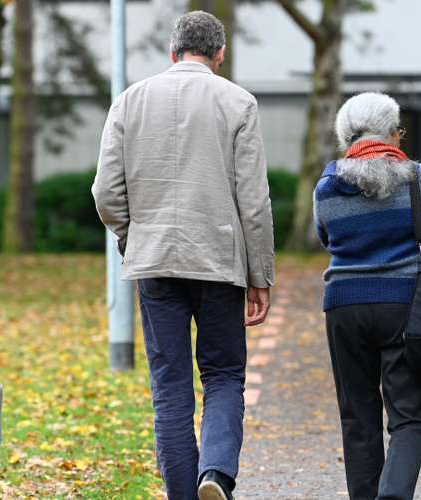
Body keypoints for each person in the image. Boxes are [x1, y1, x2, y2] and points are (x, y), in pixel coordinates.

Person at [92, 11, 274, 500]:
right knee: (223, 374)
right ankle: (215, 473)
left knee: (169, 388)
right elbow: (253, 200)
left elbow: (106, 194)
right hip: (219, 261)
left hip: (154, 261)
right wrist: (261, 276)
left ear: (172, 53)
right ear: (220, 54)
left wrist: (134, 237)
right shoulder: (239, 103)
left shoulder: (128, 101)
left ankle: (181, 494)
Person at [312, 92, 421, 500]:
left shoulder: (327, 184)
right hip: (406, 304)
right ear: (390, 132)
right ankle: (394, 493)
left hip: (344, 306)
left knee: (357, 415)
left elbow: (326, 237)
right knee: (409, 416)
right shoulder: (417, 177)